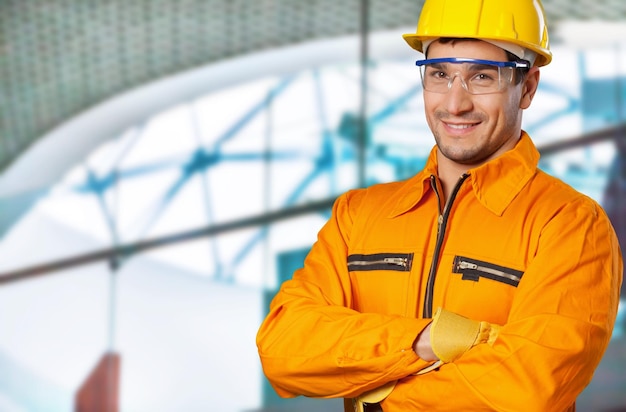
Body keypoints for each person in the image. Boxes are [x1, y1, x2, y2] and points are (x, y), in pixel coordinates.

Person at [256, 0, 623, 410]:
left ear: (528, 88)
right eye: (440, 74)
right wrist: (428, 340)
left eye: (482, 77)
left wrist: (375, 393)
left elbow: (529, 387)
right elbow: (283, 346)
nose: (454, 103)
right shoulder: (358, 215)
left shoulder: (570, 225)